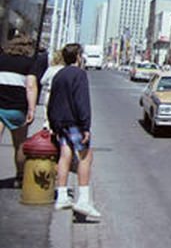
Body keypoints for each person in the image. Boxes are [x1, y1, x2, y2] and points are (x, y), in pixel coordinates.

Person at [47, 43, 101, 219]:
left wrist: (53, 124)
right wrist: (86, 126)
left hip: (60, 122)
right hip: (75, 122)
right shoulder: (79, 75)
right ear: (78, 56)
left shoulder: (59, 74)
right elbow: (81, 101)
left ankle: (62, 195)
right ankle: (84, 200)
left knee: (65, 155)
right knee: (85, 157)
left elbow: (52, 100)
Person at [0, 33, 47, 187]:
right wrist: (32, 109)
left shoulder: (1, 59)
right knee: (19, 145)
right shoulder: (29, 63)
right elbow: (31, 86)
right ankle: (19, 177)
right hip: (17, 108)